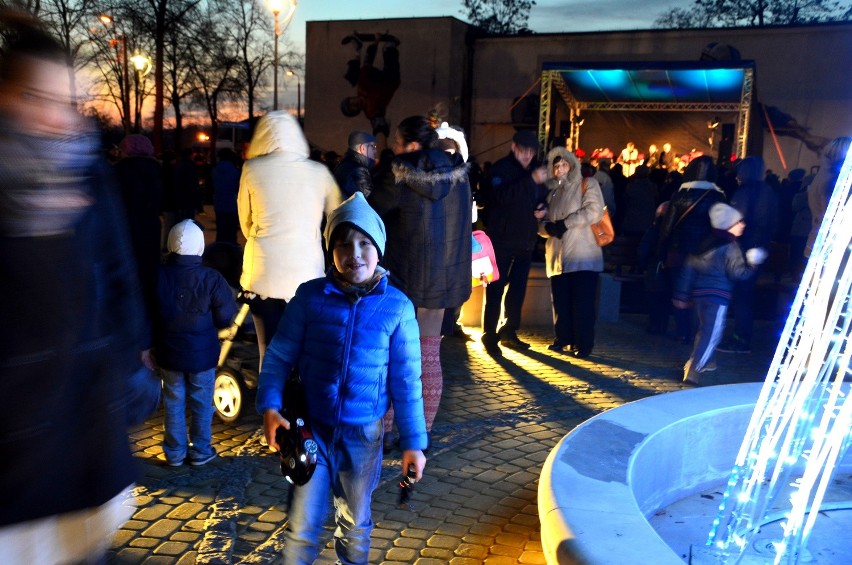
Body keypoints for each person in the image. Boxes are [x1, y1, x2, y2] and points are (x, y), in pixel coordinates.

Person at [0, 14, 151, 562]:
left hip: (86, 417)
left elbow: (118, 272)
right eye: (38, 96)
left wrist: (130, 360)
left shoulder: (88, 170)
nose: (57, 118)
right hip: (16, 438)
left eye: (66, 101)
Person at [257, 193, 427, 565]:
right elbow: (279, 355)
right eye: (343, 243)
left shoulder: (397, 307)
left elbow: (407, 382)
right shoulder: (309, 298)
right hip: (311, 430)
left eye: (365, 242)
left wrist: (414, 442)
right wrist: (269, 405)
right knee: (302, 525)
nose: (355, 253)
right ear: (330, 250)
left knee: (354, 522)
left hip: (363, 437)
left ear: (379, 248)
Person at [369, 115, 471, 436]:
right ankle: (419, 437)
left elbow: (370, 211)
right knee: (428, 357)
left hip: (402, 279)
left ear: (412, 146)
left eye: (396, 143)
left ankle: (383, 434)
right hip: (441, 280)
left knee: (389, 359)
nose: (393, 148)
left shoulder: (398, 173)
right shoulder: (459, 174)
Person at [238, 111, 343, 366]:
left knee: (270, 346)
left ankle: (272, 401)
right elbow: (337, 215)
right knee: (305, 342)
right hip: (307, 273)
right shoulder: (319, 171)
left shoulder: (252, 169)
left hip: (264, 276)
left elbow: (246, 221)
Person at [154, 220, 237, 467]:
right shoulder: (211, 278)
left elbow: (150, 315)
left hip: (168, 353)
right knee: (202, 401)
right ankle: (201, 450)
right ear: (200, 246)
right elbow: (225, 316)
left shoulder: (159, 275)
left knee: (173, 400)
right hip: (202, 357)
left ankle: (174, 453)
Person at [672, 203, 767, 384]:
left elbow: (688, 270)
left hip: (699, 295)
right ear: (728, 225)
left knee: (703, 329)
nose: (743, 225)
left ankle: (709, 361)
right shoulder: (731, 247)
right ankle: (694, 369)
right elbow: (738, 273)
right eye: (739, 222)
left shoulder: (704, 243)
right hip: (718, 296)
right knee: (712, 332)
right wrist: (753, 264)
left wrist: (681, 295)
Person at [477, 129, 548, 355]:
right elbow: (501, 198)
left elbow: (540, 197)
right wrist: (531, 180)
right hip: (502, 239)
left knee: (518, 290)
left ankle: (509, 331)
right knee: (496, 288)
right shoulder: (501, 169)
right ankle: (489, 334)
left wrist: (542, 209)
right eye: (524, 150)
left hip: (526, 240)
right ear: (514, 147)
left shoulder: (535, 172)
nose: (528, 155)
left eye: (531, 151)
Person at [538, 147, 605, 358]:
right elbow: (543, 222)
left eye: (564, 164)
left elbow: (594, 211)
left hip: (583, 254)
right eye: (556, 166)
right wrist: (546, 228)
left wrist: (564, 224)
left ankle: (584, 343)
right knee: (561, 301)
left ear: (572, 165)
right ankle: (563, 338)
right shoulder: (553, 192)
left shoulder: (588, 184)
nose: (560, 169)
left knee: (582, 303)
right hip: (558, 257)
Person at [656, 156, 727, 343]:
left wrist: (661, 251)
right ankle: (697, 332)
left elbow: (667, 227)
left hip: (678, 251)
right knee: (700, 293)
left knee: (679, 293)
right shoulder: (718, 196)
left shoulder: (681, 194)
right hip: (706, 254)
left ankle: (682, 332)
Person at [716, 156, 779, 354]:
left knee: (741, 296)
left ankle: (740, 339)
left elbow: (735, 220)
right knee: (746, 295)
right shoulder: (768, 191)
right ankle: (741, 336)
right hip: (758, 249)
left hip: (743, 249)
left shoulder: (745, 193)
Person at [113, 132, 163, 323]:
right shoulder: (156, 170)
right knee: (149, 274)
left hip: (126, 229)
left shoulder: (118, 171)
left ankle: (129, 320)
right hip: (150, 227)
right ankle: (149, 318)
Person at [805, 136, 852, 258]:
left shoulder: (823, 176)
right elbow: (834, 216)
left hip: (821, 242)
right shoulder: (835, 181)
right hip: (834, 248)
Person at [333, 130, 377, 198]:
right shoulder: (358, 171)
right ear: (363, 148)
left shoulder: (345, 165)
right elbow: (369, 200)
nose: (375, 151)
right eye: (373, 147)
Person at [211, 147, 241, 244]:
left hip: (219, 202)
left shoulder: (215, 170)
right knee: (231, 230)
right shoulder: (235, 171)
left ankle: (220, 248)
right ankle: (231, 249)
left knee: (221, 229)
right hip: (232, 203)